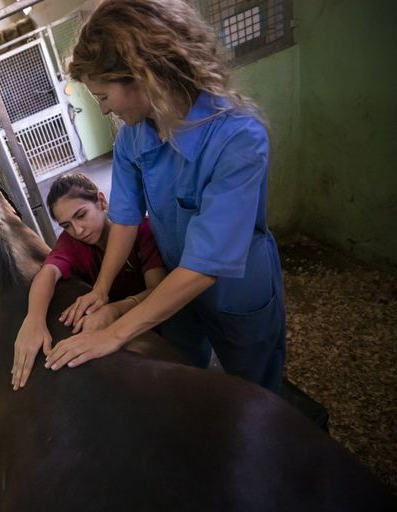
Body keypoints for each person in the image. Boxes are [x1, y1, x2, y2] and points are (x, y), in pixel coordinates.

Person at [44, 0, 286, 393]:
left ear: (143, 76)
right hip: (175, 284)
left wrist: (115, 333)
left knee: (257, 390)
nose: (104, 110)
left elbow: (206, 266)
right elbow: (123, 218)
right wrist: (102, 290)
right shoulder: (134, 136)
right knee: (181, 374)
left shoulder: (238, 138)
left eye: (104, 96)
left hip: (235, 292)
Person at [11, 173, 166, 390]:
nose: (78, 230)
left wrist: (116, 309)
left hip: (159, 321)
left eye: (81, 215)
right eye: (66, 225)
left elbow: (159, 291)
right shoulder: (72, 243)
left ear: (101, 201)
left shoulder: (142, 230)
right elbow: (47, 273)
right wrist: (34, 319)